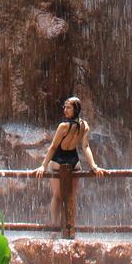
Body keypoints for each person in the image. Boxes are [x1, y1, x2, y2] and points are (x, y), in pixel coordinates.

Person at [32, 96, 106, 230]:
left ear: (76, 109)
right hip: (72, 159)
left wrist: (43, 166)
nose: (65, 110)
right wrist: (93, 166)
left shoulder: (65, 126)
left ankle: (60, 226)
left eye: (69, 107)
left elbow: (55, 147)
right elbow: (85, 147)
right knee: (63, 195)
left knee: (61, 196)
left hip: (59, 159)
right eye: (64, 107)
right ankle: (63, 226)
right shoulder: (84, 125)